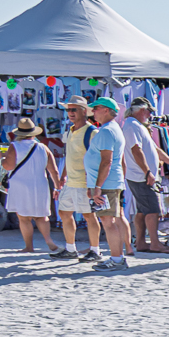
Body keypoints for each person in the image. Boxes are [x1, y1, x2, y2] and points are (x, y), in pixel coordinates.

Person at [82, 97, 131, 268]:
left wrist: (97, 187)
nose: (93, 111)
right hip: (108, 183)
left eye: (96, 108)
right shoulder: (111, 129)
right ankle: (117, 258)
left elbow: (106, 161)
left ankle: (117, 259)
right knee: (109, 221)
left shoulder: (107, 131)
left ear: (106, 110)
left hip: (106, 184)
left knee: (108, 222)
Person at [0, 117, 57, 253]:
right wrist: (57, 186)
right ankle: (48, 239)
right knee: (41, 216)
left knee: (24, 218)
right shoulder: (43, 147)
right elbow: (53, 170)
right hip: (40, 185)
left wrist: (2, 159)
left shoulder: (15, 146)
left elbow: (8, 166)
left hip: (21, 185)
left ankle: (29, 247)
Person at [119, 99, 169, 254]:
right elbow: (136, 150)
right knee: (153, 210)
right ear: (142, 110)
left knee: (141, 211)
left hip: (141, 175)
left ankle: (141, 242)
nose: (150, 115)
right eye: (149, 111)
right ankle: (155, 243)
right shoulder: (132, 125)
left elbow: (155, 149)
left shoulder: (137, 125)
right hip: (141, 176)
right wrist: (147, 172)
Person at [54, 98, 102, 259]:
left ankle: (95, 250)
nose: (70, 113)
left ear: (84, 111)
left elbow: (97, 159)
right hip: (71, 181)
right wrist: (63, 175)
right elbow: (70, 155)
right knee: (64, 212)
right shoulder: (70, 131)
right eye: (69, 110)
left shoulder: (92, 132)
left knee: (89, 215)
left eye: (74, 109)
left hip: (84, 182)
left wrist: (92, 183)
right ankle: (70, 248)